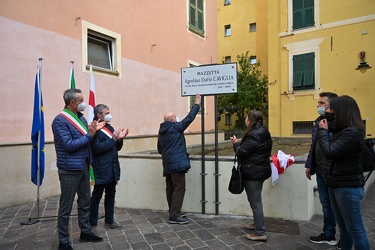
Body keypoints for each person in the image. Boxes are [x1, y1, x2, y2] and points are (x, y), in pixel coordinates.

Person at [52, 89, 104, 250]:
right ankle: (64, 241)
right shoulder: (60, 121)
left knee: (85, 202)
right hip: (69, 168)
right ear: (72, 102)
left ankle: (85, 232)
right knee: (66, 206)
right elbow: (69, 145)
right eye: (81, 100)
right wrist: (90, 134)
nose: (84, 103)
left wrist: (94, 131)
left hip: (83, 165)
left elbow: (85, 140)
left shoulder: (80, 118)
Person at [317, 95, 370, 250]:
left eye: (330, 109)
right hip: (336, 184)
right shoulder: (341, 131)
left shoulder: (352, 133)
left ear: (341, 111)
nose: (327, 112)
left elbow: (329, 152)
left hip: (347, 187)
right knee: (344, 228)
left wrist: (323, 132)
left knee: (355, 230)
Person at [157, 93, 201, 224]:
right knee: (179, 187)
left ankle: (173, 211)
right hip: (177, 163)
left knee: (170, 187)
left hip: (168, 163)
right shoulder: (176, 127)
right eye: (175, 117)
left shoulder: (161, 132)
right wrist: (197, 102)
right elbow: (190, 117)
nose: (178, 119)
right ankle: (174, 215)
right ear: (171, 120)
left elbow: (160, 149)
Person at [230, 110, 272, 242]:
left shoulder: (254, 134)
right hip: (259, 170)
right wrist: (240, 142)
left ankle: (260, 232)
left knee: (255, 202)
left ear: (251, 120)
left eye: (247, 118)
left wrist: (236, 143)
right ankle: (257, 224)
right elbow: (252, 148)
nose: (246, 120)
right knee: (255, 201)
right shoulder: (263, 131)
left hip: (254, 172)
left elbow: (242, 152)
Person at [305, 92, 339, 246]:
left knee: (338, 203)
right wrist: (309, 165)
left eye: (321, 103)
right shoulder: (318, 122)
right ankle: (329, 234)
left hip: (334, 170)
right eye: (318, 103)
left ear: (331, 105)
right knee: (325, 202)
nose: (318, 105)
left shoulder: (339, 124)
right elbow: (314, 147)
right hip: (319, 168)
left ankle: (344, 236)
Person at [90, 104, 129, 234]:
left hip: (112, 168)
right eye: (107, 112)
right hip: (101, 168)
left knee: (111, 195)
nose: (109, 114)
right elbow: (96, 148)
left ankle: (109, 221)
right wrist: (113, 139)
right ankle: (92, 223)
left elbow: (115, 147)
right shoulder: (94, 128)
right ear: (99, 115)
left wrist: (119, 140)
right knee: (96, 197)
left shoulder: (109, 127)